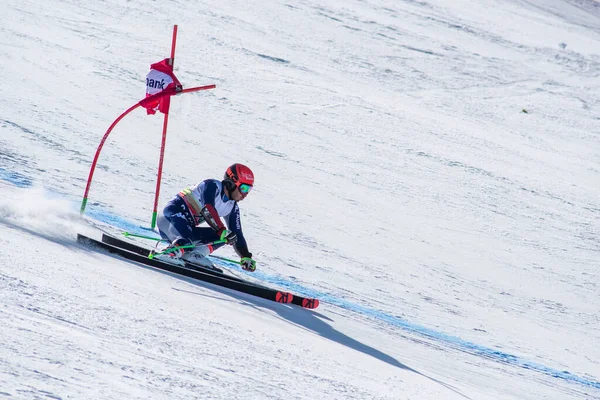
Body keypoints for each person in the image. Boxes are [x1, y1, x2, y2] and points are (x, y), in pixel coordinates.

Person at [155, 163, 256, 272]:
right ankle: (169, 253)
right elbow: (207, 209)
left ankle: (195, 255)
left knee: (228, 236)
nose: (245, 194)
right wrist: (221, 230)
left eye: (248, 190)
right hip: (169, 218)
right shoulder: (212, 185)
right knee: (191, 238)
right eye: (244, 188)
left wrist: (245, 256)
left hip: (187, 230)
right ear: (232, 182)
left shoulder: (232, 207)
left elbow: (237, 234)